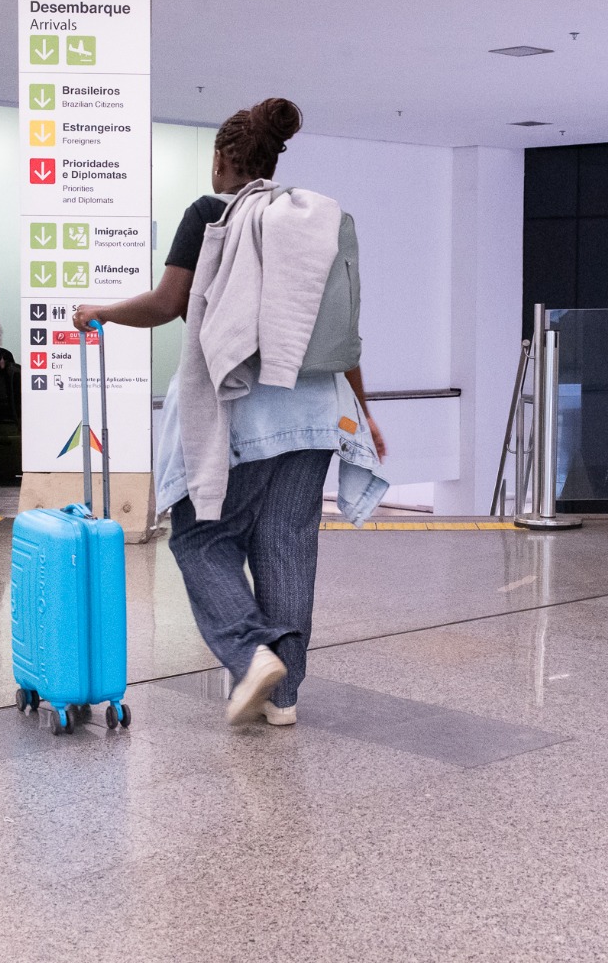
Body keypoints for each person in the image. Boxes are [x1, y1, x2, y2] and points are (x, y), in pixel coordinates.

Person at [74, 98, 387, 728]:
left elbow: (168, 303)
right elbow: (341, 331)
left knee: (200, 536)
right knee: (287, 546)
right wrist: (365, 408)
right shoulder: (316, 220)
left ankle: (249, 655)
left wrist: (100, 312)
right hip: (320, 408)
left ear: (221, 159)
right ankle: (284, 698)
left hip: (242, 412)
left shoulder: (210, 213)